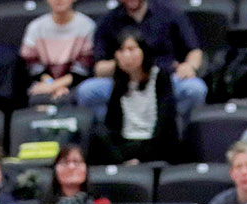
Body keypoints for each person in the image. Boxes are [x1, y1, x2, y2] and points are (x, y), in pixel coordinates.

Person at [76, 0, 207, 125]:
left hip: (165, 79)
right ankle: (111, 134)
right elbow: (99, 68)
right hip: (123, 84)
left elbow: (195, 51)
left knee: (195, 89)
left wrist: (189, 66)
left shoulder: (169, 12)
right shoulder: (109, 21)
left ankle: (176, 131)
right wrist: (122, 62)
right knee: (87, 91)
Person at [87, 29, 180, 165]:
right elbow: (112, 123)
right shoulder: (119, 81)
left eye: (131, 49)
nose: (126, 55)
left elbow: (165, 122)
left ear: (143, 50)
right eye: (121, 51)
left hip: (153, 142)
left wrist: (142, 157)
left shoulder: (160, 77)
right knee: (98, 135)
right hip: (127, 143)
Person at [20, 0, 95, 105]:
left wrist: (54, 86)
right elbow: (32, 65)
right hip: (44, 82)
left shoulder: (87, 26)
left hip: (76, 83)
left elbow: (84, 67)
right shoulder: (35, 27)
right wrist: (52, 85)